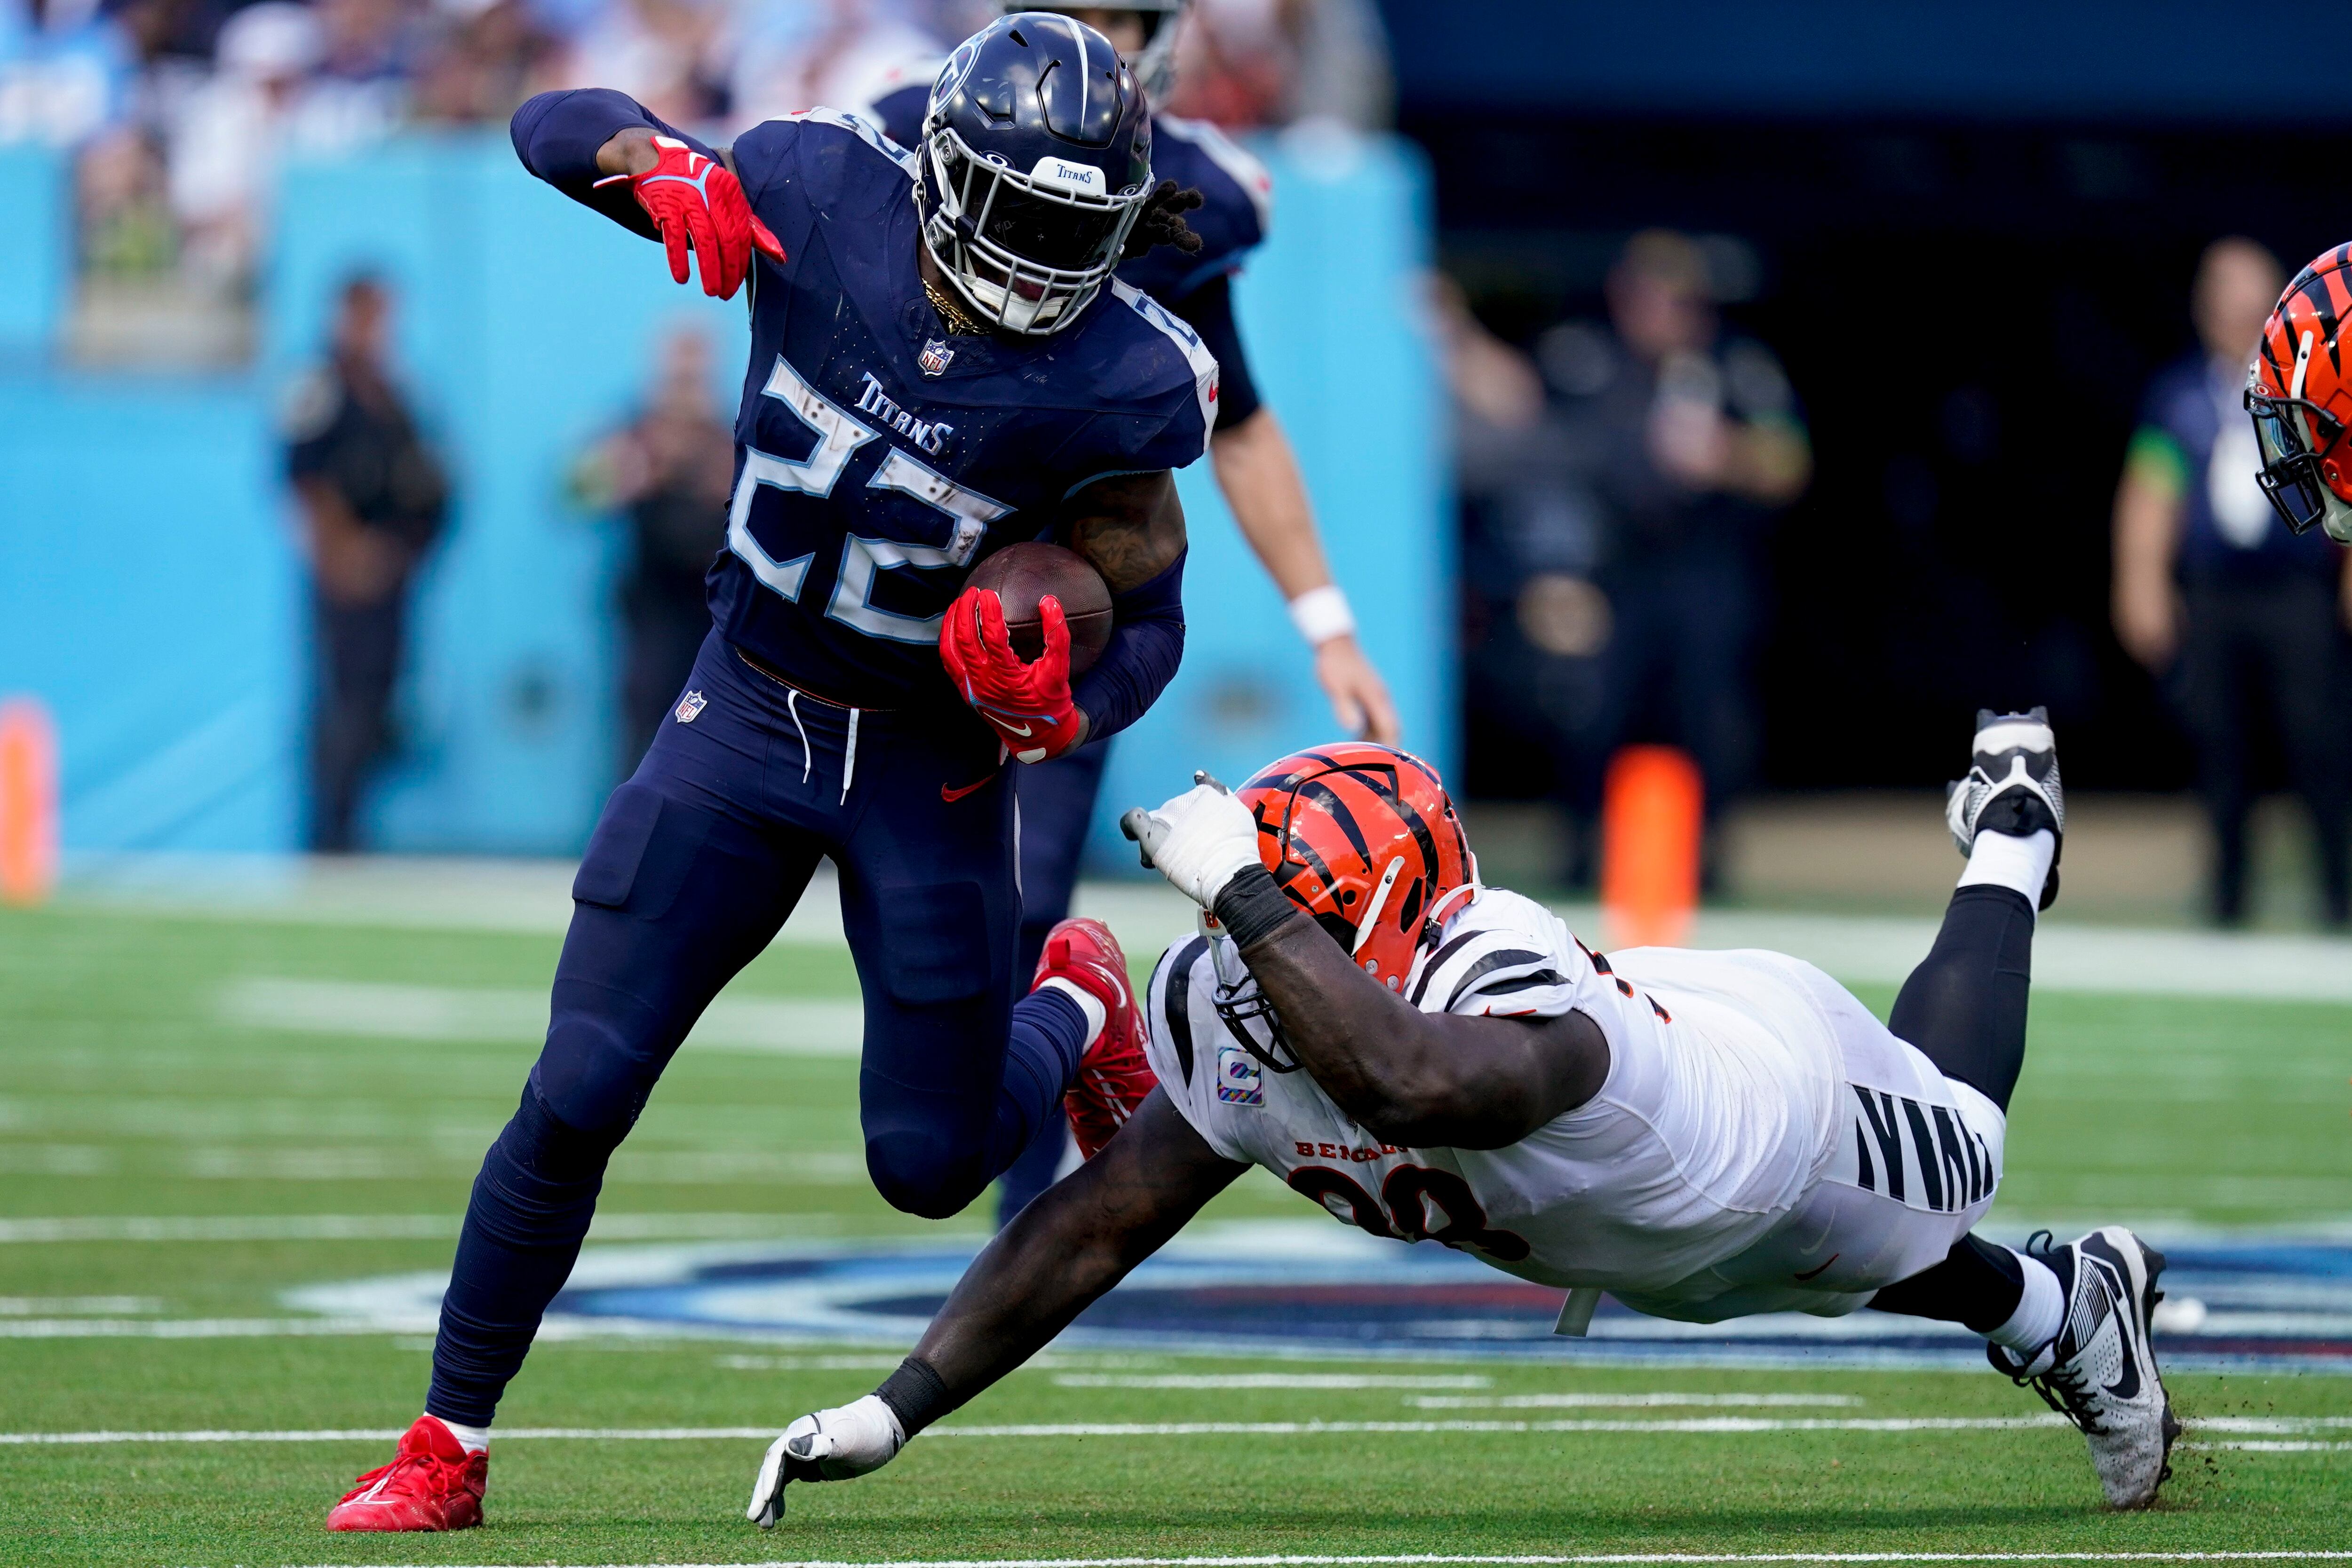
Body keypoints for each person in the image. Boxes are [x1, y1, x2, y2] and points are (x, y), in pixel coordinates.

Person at [325, 14, 1216, 1531]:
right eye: (1014, 210)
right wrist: (659, 163)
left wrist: (1066, 711)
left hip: (928, 763)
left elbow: (1152, 614)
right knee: (579, 1085)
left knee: (928, 1167)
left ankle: (1071, 997)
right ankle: (445, 1441)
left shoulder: (1122, 379)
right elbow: (558, 123)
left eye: (1075, 227)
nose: (1037, 257)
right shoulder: (815, 194)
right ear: (943, 173)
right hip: (744, 712)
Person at [747, 712, 2183, 1522]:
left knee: (1949, 1162)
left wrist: (1248, 895)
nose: (1246, 955)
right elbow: (1100, 1216)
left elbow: (1410, 1085)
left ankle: (2008, 835)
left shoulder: (1496, 969)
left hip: (1776, 1109)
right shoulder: (1231, 991)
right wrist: (896, 1405)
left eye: (1289, 916)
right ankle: (2067, 1304)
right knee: (1829, 1272)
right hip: (1636, 1233)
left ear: (1377, 921)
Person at [867, 0, 1398, 1224]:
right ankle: (1069, 1029)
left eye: (1124, 11)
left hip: (1046, 603)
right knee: (908, 927)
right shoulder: (908, 133)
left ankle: (1017, 1215)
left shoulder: (1186, 191)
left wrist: (1325, 617)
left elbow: (1243, 418)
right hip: (887, 569)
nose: (1101, 33)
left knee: (1021, 892)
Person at [1537, 230, 1811, 888]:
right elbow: (1538, 456)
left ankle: (1705, 859)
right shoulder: (1586, 361)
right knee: (1591, 709)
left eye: (1680, 300)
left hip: (1703, 568)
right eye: (1651, 297)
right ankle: (1582, 853)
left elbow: (1790, 462)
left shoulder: (1736, 367)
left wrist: (1728, 454)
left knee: (1708, 715)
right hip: (1611, 568)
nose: (1665, 313)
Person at [2123, 238, 2352, 926]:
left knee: (2318, 739)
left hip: (2298, 591)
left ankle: (2338, 894)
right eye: (2228, 295)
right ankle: (2227, 901)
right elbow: (2151, 489)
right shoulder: (2178, 395)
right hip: (2215, 594)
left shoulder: (2318, 386)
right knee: (2220, 744)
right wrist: (2141, 577)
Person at [283, 273, 450, 854]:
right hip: (346, 576)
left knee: (379, 705)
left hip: (390, 573)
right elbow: (302, 481)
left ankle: (351, 827)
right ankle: (331, 833)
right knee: (343, 704)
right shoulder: (319, 384)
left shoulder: (391, 390)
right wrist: (344, 554)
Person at [570, 324, 737, 776]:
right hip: (652, 608)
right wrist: (632, 471)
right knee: (645, 722)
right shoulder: (634, 436)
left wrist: (714, 477)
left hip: (713, 613)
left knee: (712, 729)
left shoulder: (730, 441)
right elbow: (574, 492)